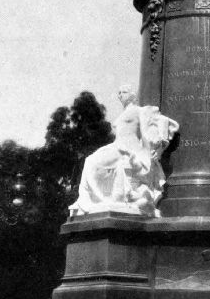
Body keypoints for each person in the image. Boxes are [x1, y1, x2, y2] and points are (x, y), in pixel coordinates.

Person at [70, 84, 178, 217]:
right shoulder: (123, 113)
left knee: (91, 162)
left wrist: (156, 149)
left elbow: (155, 126)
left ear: (133, 95)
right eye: (119, 92)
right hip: (117, 146)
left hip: (128, 149)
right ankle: (92, 200)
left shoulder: (139, 111)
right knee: (89, 160)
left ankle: (99, 200)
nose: (120, 95)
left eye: (124, 92)